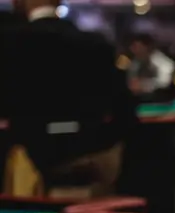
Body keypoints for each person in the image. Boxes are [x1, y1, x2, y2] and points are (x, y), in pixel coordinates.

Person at [0, 0, 138, 198]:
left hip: (30, 166)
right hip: (91, 162)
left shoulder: (8, 41)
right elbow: (125, 111)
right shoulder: (96, 43)